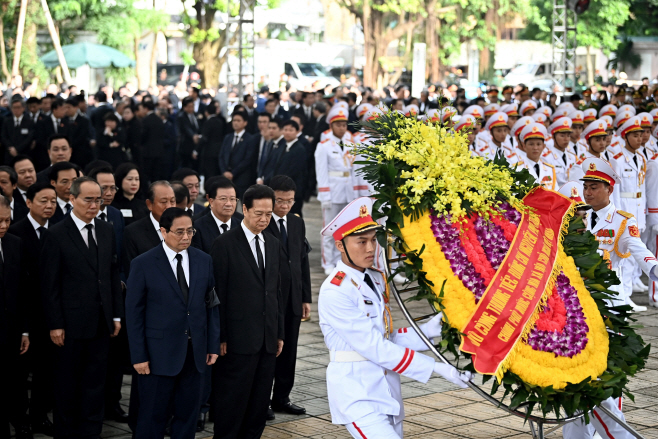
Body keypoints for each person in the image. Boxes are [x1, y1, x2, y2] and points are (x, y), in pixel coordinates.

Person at [318, 197, 472, 438]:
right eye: (361, 242)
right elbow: (374, 346)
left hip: (387, 391)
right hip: (358, 392)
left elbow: (385, 336)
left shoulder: (375, 278)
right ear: (340, 245)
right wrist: (437, 368)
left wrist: (429, 330)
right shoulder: (336, 290)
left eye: (373, 240)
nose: (370, 249)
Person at [562, 157, 658, 439]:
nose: (588, 193)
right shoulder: (572, 219)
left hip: (608, 312)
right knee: (573, 383)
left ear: (609, 189)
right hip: (575, 311)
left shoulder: (621, 223)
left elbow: (641, 252)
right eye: (586, 187)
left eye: (594, 187)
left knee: (604, 385)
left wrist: (654, 269)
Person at [41, 176, 123, 439]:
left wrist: (116, 315)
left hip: (101, 321)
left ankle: (91, 432)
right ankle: (67, 433)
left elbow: (112, 275)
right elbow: (49, 284)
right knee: (67, 384)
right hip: (69, 325)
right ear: (71, 198)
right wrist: (55, 324)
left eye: (98, 200)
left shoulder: (106, 229)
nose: (94, 205)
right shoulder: (56, 234)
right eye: (88, 199)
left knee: (95, 383)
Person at [126, 207, 219, 439]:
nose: (186, 237)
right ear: (163, 231)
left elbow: (211, 305)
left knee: (188, 416)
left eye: (190, 231)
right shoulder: (143, 264)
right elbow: (134, 314)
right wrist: (138, 356)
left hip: (194, 352)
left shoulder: (203, 260)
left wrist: (212, 346)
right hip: (157, 354)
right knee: (152, 417)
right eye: (179, 232)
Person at [210, 184, 285, 439]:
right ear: (245, 210)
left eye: (268, 214)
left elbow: (276, 293)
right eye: (258, 214)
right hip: (236, 341)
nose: (264, 219)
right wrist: (220, 336)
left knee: (258, 406)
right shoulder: (224, 244)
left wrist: (279, 333)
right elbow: (216, 294)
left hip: (266, 341)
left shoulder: (273, 244)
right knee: (232, 405)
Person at [8, 182, 57, 437]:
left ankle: (40, 416)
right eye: (43, 201)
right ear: (28, 202)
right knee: (19, 372)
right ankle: (20, 418)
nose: (49, 206)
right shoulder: (15, 232)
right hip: (23, 315)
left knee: (45, 370)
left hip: (50, 315)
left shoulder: (57, 231)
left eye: (53, 201)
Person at [266, 176, 311, 418]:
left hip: (293, 298)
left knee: (290, 350)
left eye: (289, 201)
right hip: (271, 299)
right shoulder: (261, 223)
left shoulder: (296, 223)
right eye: (280, 201)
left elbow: (301, 262)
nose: (284, 206)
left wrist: (305, 298)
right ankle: (261, 400)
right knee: (269, 350)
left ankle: (282, 398)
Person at [609, 115, 649, 309]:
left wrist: (643, 213)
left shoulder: (641, 158)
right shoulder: (617, 159)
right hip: (624, 209)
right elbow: (615, 190)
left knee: (633, 255)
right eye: (635, 135)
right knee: (623, 256)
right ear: (625, 136)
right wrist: (618, 215)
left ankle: (628, 295)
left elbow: (642, 189)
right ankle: (622, 297)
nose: (639, 139)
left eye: (641, 135)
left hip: (637, 210)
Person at [0, 195, 30, 439]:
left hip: (12, 329)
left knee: (16, 382)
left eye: (7, 220)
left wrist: (24, 331)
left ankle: (20, 424)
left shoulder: (14, 243)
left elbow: (22, 290)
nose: (3, 225)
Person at [315, 106, 357, 275]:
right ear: (331, 126)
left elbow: (354, 170)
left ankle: (343, 258)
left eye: (344, 124)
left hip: (348, 191)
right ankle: (328, 262)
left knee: (347, 228)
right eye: (338, 124)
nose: (342, 128)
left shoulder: (350, 144)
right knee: (329, 228)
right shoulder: (324, 146)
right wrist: (324, 194)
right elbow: (321, 172)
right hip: (332, 191)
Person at [122, 181, 176, 275]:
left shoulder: (183, 229)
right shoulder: (133, 232)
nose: (169, 206)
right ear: (149, 204)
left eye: (172, 201)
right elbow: (132, 271)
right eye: (163, 202)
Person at [192, 177, 243, 253]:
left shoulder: (242, 225)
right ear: (211, 201)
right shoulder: (197, 227)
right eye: (223, 199)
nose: (228, 204)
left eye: (232, 199)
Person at [219, 111, 257, 199]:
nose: (235, 123)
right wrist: (224, 171)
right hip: (226, 177)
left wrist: (233, 173)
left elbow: (248, 159)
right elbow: (221, 156)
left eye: (238, 120)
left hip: (241, 178)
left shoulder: (250, 138)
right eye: (234, 120)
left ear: (245, 123)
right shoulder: (228, 137)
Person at [517, 123, 556, 189]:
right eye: (531, 144)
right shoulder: (517, 169)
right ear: (524, 146)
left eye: (538, 144)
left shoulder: (550, 169)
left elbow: (555, 192)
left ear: (543, 147)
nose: (535, 148)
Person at [34, 99, 69, 171]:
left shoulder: (66, 123)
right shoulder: (43, 122)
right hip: (45, 156)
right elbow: (40, 139)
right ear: (54, 109)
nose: (64, 111)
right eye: (62, 109)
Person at [140, 100, 166, 184]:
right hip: (159, 151)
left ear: (146, 108)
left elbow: (143, 136)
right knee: (156, 175)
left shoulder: (145, 120)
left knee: (146, 174)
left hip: (148, 152)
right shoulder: (159, 120)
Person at [1, 98, 34, 163]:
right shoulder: (7, 121)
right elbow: (4, 136)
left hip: (24, 153)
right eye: (14, 107)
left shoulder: (29, 121)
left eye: (18, 107)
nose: (16, 110)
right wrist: (11, 148)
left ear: (23, 108)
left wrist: (17, 149)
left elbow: (29, 137)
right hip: (9, 153)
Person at [199, 101, 226, 179]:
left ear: (206, 112)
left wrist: (197, 150)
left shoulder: (208, 122)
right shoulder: (220, 121)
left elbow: (204, 137)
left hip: (209, 151)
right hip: (219, 150)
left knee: (209, 172)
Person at [64, 97, 93, 169]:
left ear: (76, 108)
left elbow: (82, 136)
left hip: (80, 153)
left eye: (69, 107)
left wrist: (70, 145)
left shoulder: (83, 121)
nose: (66, 110)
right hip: (67, 153)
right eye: (65, 108)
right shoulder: (63, 120)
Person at [178, 97, 201, 169]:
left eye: (193, 106)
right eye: (189, 107)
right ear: (185, 107)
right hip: (186, 145)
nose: (192, 108)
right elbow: (186, 128)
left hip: (196, 145)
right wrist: (193, 136)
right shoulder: (181, 116)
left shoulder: (196, 115)